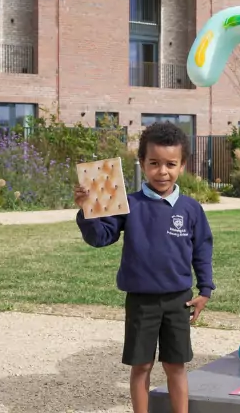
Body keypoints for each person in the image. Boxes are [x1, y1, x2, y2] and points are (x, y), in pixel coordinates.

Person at [74, 121, 215, 413]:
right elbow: (100, 237)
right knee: (142, 366)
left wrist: (205, 289)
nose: (162, 171)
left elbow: (202, 249)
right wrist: (87, 211)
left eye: (170, 164)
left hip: (179, 300)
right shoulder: (127, 204)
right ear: (142, 163)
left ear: (182, 166)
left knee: (176, 366)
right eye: (154, 163)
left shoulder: (191, 209)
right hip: (140, 301)